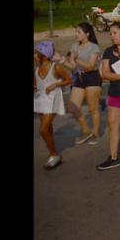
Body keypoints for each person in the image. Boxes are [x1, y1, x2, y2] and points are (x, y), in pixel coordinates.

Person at [97, 23, 120, 170]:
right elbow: (105, 74)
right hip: (116, 93)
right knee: (113, 125)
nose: (112, 36)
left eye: (114, 33)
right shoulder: (108, 52)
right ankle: (113, 157)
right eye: (110, 33)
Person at [61, 22, 103, 146]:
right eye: (76, 32)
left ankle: (95, 133)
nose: (76, 34)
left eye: (79, 32)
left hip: (92, 77)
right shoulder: (74, 46)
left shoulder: (94, 47)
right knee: (72, 107)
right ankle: (86, 130)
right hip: (79, 78)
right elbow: (73, 68)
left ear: (87, 34)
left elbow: (90, 67)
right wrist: (62, 61)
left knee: (93, 108)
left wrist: (76, 59)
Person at [34, 41, 71, 170]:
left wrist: (56, 84)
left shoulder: (56, 67)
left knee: (42, 130)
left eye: (36, 53)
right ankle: (52, 153)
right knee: (47, 128)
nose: (34, 55)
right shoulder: (37, 67)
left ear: (44, 55)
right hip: (40, 99)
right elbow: (36, 85)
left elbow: (68, 80)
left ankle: (54, 154)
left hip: (53, 98)